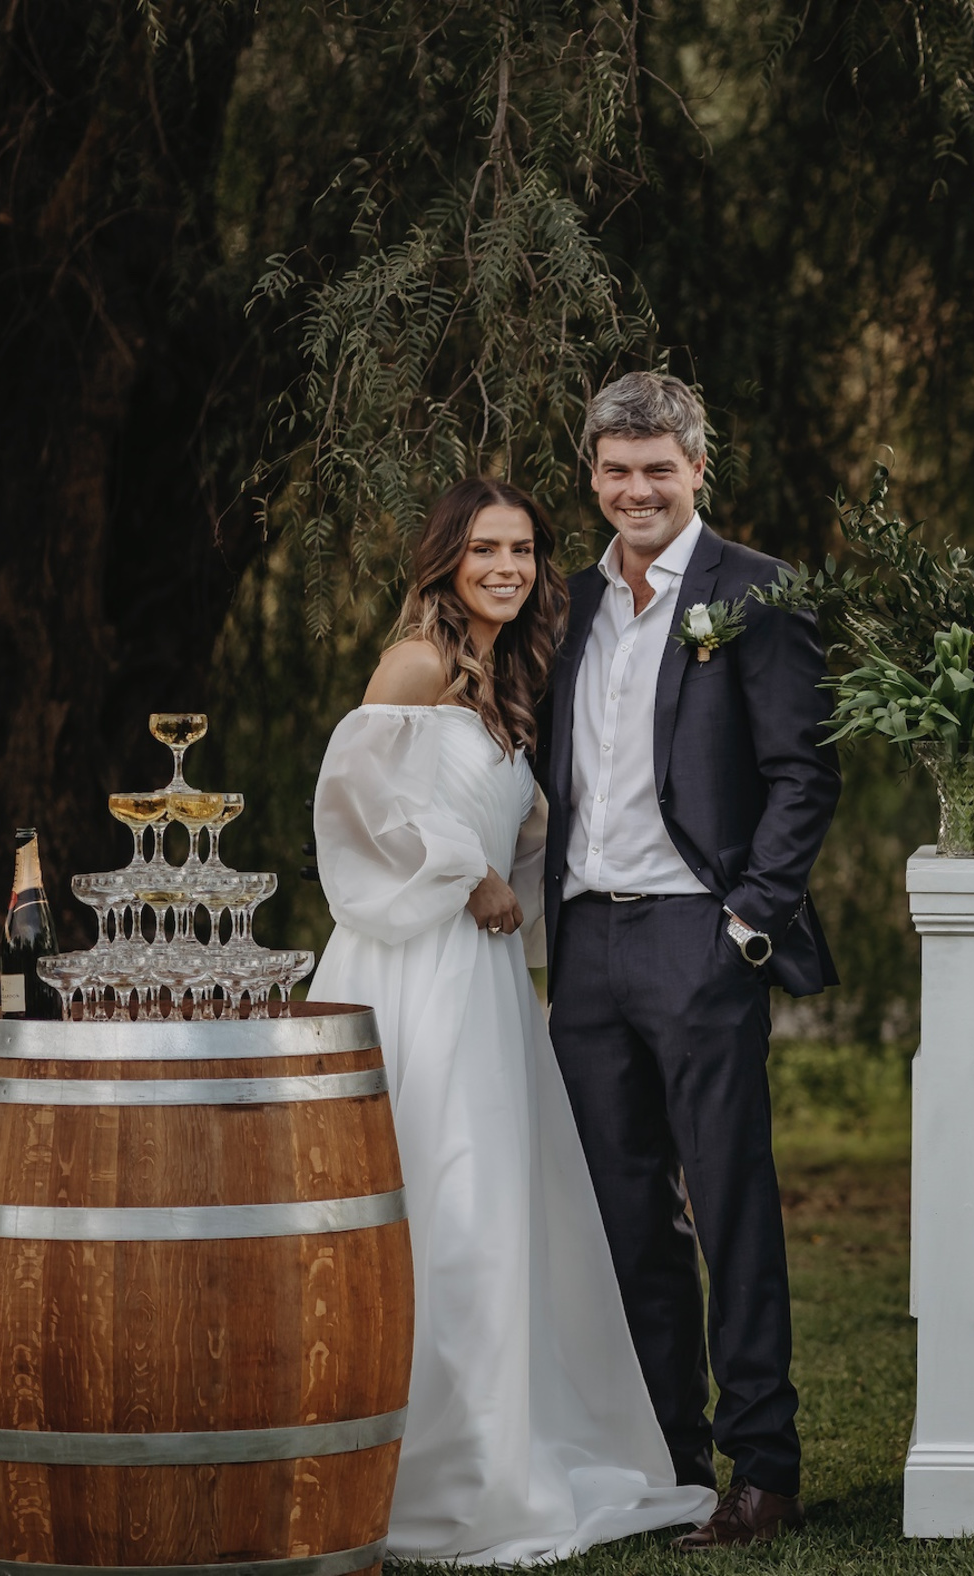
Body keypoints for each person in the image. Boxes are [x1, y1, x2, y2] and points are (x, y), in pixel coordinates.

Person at [308, 477, 715, 1563]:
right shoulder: (416, 661)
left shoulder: (508, 676)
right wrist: (465, 874)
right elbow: (358, 803)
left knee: (497, 1197)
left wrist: (530, 865)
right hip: (414, 965)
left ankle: (497, 1442)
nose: (507, 566)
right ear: (445, 558)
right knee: (437, 1189)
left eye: (525, 548)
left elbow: (509, 821)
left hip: (484, 975)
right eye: (485, 547)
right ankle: (432, 1465)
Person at [539, 372, 841, 1549]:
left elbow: (805, 774)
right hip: (586, 944)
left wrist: (747, 925)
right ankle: (665, 1459)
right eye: (616, 469)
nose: (636, 490)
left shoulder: (753, 593)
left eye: (658, 468)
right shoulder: (566, 604)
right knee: (623, 1215)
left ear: (698, 470)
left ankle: (762, 1464)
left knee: (729, 1203)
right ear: (594, 475)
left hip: (695, 937)